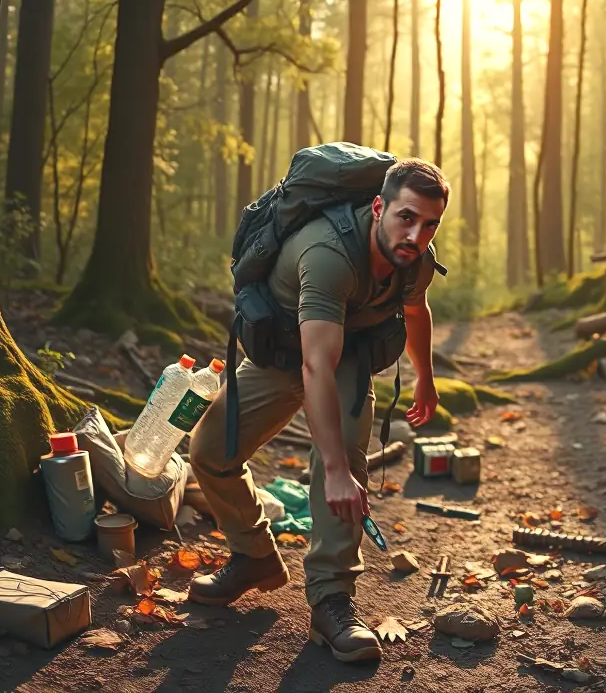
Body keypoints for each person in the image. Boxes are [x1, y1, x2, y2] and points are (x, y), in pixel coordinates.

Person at [186, 158, 449, 664]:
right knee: (211, 449)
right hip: (289, 351)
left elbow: (415, 309)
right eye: (406, 218)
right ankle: (255, 557)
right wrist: (328, 470)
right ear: (379, 208)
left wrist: (427, 381)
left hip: (347, 352)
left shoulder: (414, 256)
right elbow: (313, 368)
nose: (416, 234)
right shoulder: (328, 253)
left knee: (347, 466)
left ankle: (332, 601)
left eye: (430, 223)